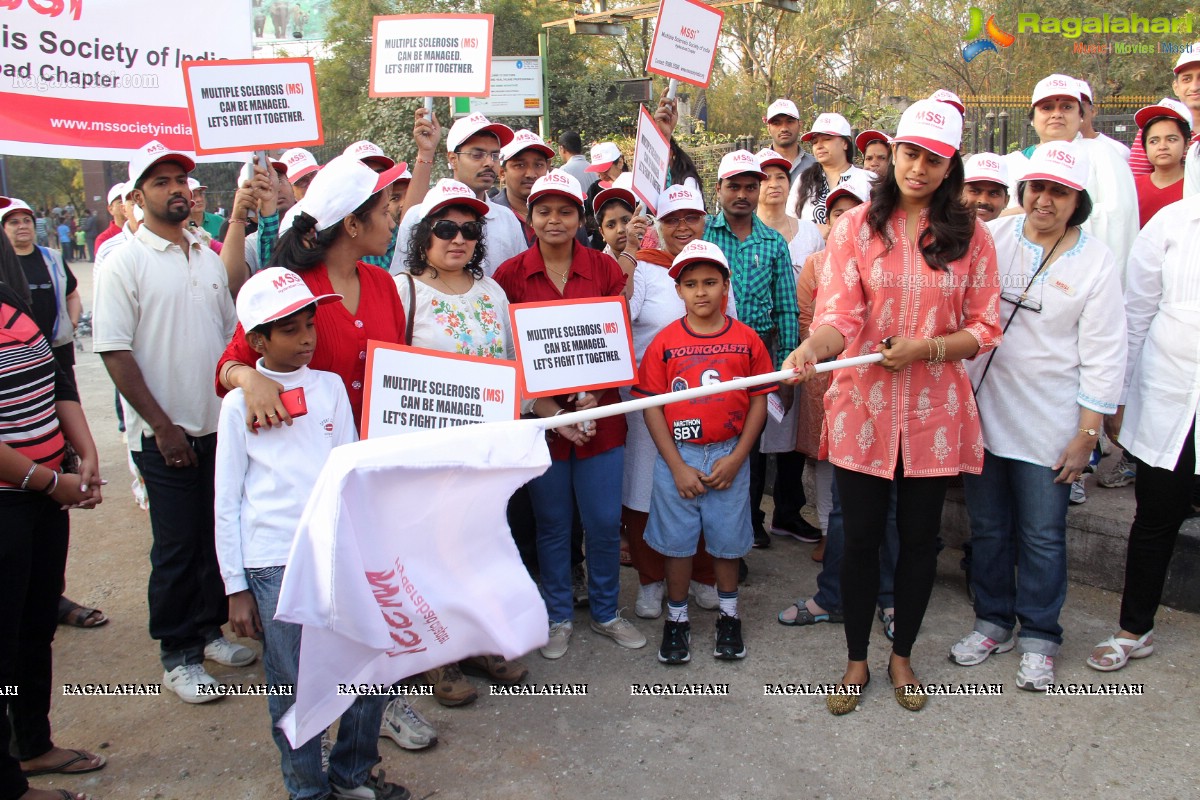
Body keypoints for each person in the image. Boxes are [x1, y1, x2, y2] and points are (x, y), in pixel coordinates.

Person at [785, 99, 1002, 714]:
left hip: (936, 413)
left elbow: (985, 327)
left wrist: (927, 349)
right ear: (893, 155)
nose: (919, 168)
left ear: (949, 165)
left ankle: (901, 654)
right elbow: (839, 317)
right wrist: (811, 348)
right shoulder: (855, 229)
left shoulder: (971, 235)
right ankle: (856, 659)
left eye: (934, 159)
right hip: (864, 409)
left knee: (918, 540)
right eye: (910, 154)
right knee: (856, 541)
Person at [215, 267, 411, 800]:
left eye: (311, 325)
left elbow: (348, 473)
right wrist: (236, 585)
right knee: (292, 682)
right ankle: (307, 788)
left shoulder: (327, 389)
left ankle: (352, 774)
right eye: (290, 330)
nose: (306, 338)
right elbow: (227, 500)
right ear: (257, 340)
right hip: (275, 561)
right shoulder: (238, 405)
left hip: (338, 553)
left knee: (370, 664)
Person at [950, 141, 1126, 691]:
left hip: (1051, 423)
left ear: (1079, 201)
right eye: (1038, 188)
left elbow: (1104, 354)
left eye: (1060, 192)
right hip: (984, 414)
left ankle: (1041, 637)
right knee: (989, 528)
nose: (1045, 201)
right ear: (1023, 193)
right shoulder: (995, 238)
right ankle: (993, 623)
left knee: (1044, 535)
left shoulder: (1096, 261)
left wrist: (1087, 435)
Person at [93, 140, 250, 703]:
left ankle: (207, 633)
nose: (176, 189)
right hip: (165, 433)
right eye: (161, 183)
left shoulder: (206, 256)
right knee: (178, 546)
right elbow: (114, 352)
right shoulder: (122, 262)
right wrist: (162, 426)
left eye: (181, 180)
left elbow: (229, 336)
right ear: (138, 197)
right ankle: (177, 653)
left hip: (216, 427)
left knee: (214, 536)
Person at [493, 170, 644, 659]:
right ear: (530, 218)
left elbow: (610, 343)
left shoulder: (604, 269)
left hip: (601, 419)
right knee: (553, 524)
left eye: (565, 211)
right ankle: (557, 615)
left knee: (602, 522)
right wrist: (554, 411)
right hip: (542, 426)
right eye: (544, 211)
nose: (554, 220)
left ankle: (604, 612)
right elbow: (507, 356)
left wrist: (591, 399)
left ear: (581, 218)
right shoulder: (510, 276)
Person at [396, 178, 529, 706]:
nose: (458, 239)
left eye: (469, 229)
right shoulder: (403, 290)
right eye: (445, 228)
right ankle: (438, 656)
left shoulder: (493, 291)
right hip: (430, 452)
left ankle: (477, 641)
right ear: (424, 233)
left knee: (481, 546)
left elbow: (514, 364)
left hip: (488, 449)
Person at [1, 229, 105, 800]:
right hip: (13, 501)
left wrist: (84, 452)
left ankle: (32, 744)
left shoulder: (11, 304)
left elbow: (56, 381)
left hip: (42, 499)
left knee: (33, 625)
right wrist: (47, 481)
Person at [635, 240, 772, 665]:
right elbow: (651, 406)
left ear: (726, 285)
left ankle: (729, 615)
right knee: (677, 544)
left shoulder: (747, 341)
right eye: (690, 283)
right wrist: (676, 465)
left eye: (710, 282)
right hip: (680, 456)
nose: (701, 292)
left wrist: (737, 458)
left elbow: (759, 402)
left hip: (729, 453)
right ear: (677, 290)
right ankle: (676, 620)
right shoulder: (665, 342)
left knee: (727, 542)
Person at [779, 176, 901, 630]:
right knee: (847, 509)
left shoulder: (906, 253)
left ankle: (890, 599)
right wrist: (812, 349)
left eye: (861, 208)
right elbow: (828, 322)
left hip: (904, 398)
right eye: (839, 212)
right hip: (851, 394)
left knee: (891, 509)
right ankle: (833, 595)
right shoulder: (822, 261)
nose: (850, 221)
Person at [1086, 190, 1200, 674]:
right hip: (1171, 397)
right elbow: (1135, 314)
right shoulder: (1174, 223)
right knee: (1155, 518)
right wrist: (1120, 393)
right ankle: (1135, 629)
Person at [622, 184, 729, 620]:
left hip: (703, 400)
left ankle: (702, 574)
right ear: (658, 226)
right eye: (672, 219)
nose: (683, 227)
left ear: (705, 218)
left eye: (692, 217)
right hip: (647, 401)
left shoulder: (715, 265)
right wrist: (628, 252)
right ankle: (651, 581)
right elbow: (618, 313)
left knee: (700, 485)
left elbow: (729, 329)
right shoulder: (645, 270)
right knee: (644, 487)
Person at [702, 149, 800, 548]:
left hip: (756, 360)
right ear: (719, 189)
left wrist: (787, 373)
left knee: (750, 449)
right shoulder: (702, 234)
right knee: (708, 439)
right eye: (734, 186)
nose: (742, 194)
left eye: (749, 186)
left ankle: (745, 528)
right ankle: (709, 533)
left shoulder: (773, 243)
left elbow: (788, 309)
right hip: (704, 357)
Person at [753, 148, 823, 545]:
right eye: (765, 178)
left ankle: (788, 512)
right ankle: (752, 517)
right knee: (757, 428)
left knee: (790, 428)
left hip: (800, 340)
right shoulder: (744, 231)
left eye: (780, 177)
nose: (773, 184)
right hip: (761, 341)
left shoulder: (808, 232)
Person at [1003, 74, 1138, 280]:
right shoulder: (1013, 163)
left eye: (1066, 107)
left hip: (1078, 277)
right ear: (1032, 117)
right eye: (1047, 108)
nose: (1057, 114)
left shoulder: (1103, 156)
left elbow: (1118, 219)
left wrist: (1050, 215)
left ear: (1081, 115)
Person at [390, 113, 527, 278]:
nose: (489, 163)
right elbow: (401, 280)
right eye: (477, 155)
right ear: (453, 159)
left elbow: (520, 279)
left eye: (495, 156)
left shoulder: (507, 219)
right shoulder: (417, 216)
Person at [2, 200, 80, 378]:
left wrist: (72, 322)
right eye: (14, 222)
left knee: (68, 399)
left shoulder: (52, 257)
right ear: (3, 229)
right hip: (20, 351)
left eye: (27, 221)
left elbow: (72, 295)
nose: (22, 226)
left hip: (58, 346)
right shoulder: (3, 264)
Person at [787, 112, 872, 222]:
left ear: (845, 143)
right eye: (815, 142)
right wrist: (814, 230)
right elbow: (790, 221)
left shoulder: (868, 180)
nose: (819, 146)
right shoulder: (804, 180)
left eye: (827, 139)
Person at [1132, 98, 1191, 228]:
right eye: (1154, 141)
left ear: (1186, 144)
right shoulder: (1132, 188)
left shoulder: (1194, 186)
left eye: (1171, 139)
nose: (1162, 146)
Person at [492, 129, 555, 246]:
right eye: (520, 165)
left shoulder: (565, 215)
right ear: (502, 173)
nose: (531, 174)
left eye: (538, 165)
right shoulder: (488, 217)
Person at [1077, 80, 1132, 161]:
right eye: (1067, 107)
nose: (1075, 112)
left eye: (1081, 105)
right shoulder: (1053, 150)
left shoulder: (1118, 151)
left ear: (1093, 111)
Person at [763, 98, 816, 183]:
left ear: (800, 125)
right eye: (777, 123)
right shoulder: (758, 165)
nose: (784, 128)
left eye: (790, 122)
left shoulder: (815, 166)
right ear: (769, 129)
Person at [962, 154, 1010, 223]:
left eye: (993, 193)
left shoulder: (1011, 232)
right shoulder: (944, 231)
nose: (983, 201)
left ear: (1006, 201)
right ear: (959, 194)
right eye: (975, 191)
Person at [94, 184, 126, 254]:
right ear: (111, 209)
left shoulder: (143, 232)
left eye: (128, 200)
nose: (124, 205)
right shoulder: (103, 239)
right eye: (121, 202)